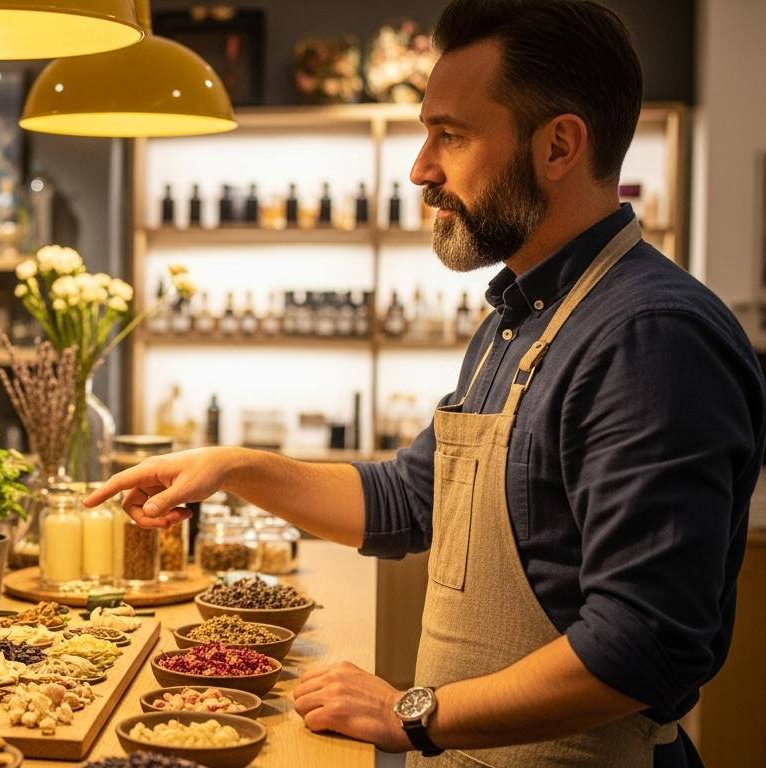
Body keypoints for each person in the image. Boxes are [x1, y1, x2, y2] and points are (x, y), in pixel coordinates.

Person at [86, 1, 764, 766]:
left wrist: (412, 712)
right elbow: (413, 501)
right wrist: (233, 468)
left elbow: (646, 643)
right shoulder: (522, 314)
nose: (421, 169)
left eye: (451, 134)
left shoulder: (650, 337)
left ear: (560, 146)